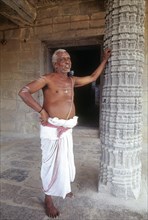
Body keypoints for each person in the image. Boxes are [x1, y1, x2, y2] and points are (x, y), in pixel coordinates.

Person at [18, 48, 111, 218]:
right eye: (63, 59)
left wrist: (104, 59)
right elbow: (23, 92)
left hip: (66, 129)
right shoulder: (47, 79)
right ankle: (48, 198)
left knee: (65, 161)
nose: (67, 61)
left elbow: (92, 78)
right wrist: (41, 111)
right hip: (52, 130)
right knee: (50, 165)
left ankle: (63, 188)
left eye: (68, 58)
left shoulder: (71, 80)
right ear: (55, 64)